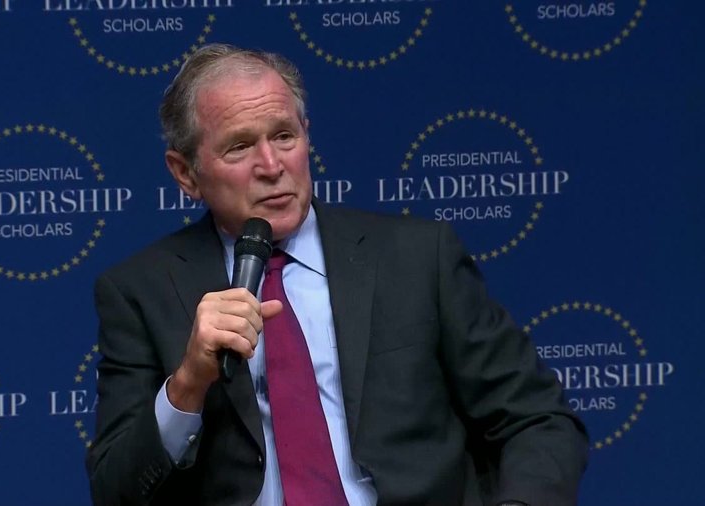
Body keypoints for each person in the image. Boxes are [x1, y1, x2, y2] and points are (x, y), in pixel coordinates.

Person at [86, 43, 588, 506]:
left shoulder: (416, 258)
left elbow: (537, 419)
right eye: (239, 147)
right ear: (185, 173)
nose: (271, 164)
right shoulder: (139, 291)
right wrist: (188, 383)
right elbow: (116, 490)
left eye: (284, 136)